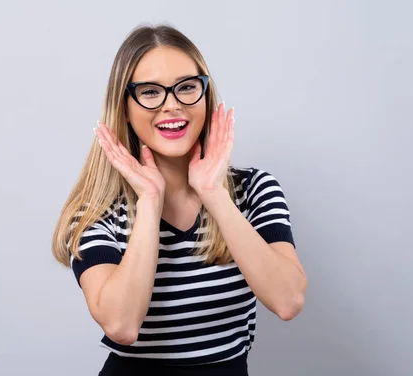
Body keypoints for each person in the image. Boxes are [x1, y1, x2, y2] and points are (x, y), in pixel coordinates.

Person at [51, 23, 307, 376]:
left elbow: (288, 300)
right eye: (151, 92)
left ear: (205, 96)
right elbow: (121, 325)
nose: (172, 106)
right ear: (124, 107)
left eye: (187, 87)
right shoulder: (97, 214)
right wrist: (150, 201)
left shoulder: (254, 190)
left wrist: (213, 193)